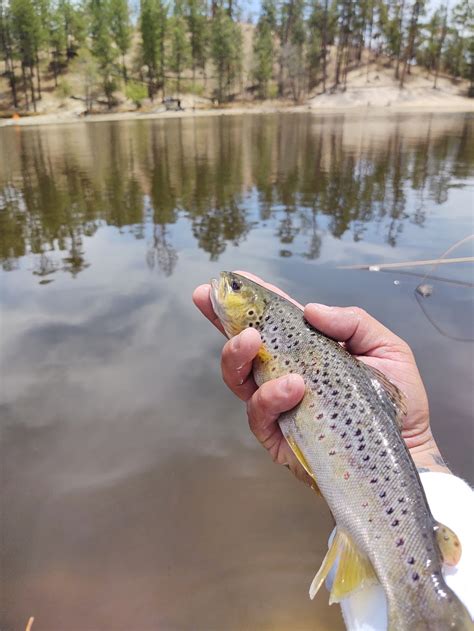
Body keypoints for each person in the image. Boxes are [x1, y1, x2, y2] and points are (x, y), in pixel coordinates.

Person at [193, 271, 473, 630]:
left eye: (235, 288)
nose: (225, 285)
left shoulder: (269, 331)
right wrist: (416, 451)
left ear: (255, 313)